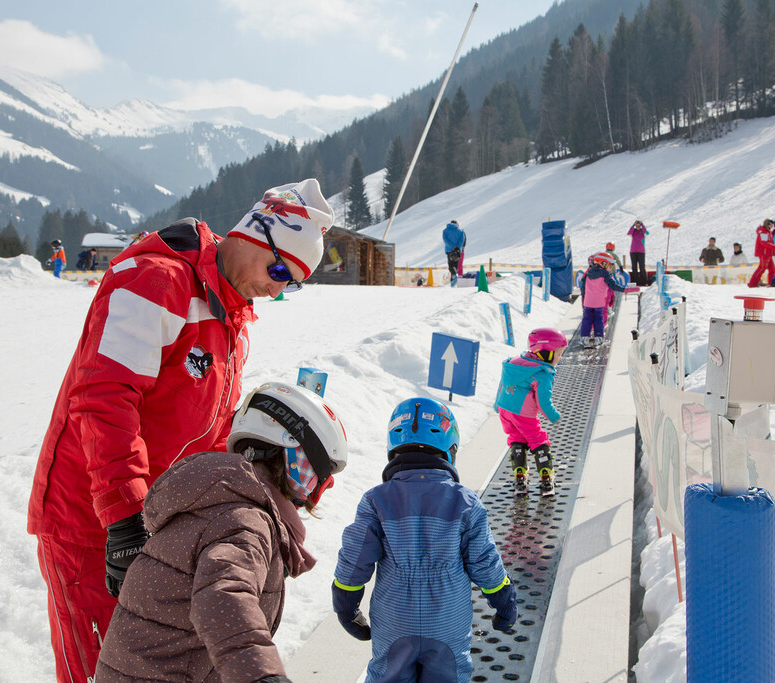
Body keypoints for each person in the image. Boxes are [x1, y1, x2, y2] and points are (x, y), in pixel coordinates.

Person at [27, 178, 334, 683]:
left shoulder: (230, 317)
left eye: (292, 283)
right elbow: (104, 399)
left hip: (156, 527)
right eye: (279, 270)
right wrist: (124, 519)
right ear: (256, 235)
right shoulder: (155, 282)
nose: (277, 288)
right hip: (92, 523)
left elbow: (210, 435)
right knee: (103, 671)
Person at [95, 382, 347, 683]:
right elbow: (224, 597)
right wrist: (260, 675)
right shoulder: (245, 520)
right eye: (316, 479)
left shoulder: (211, 502)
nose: (311, 497)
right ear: (292, 458)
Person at [332, 398, 517, 683]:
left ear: (392, 451)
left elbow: (356, 556)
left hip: (394, 621)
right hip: (447, 621)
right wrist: (504, 600)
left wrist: (345, 603)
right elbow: (484, 561)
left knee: (387, 676)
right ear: (451, 451)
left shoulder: (376, 500)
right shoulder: (464, 502)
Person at [494, 328, 568, 496]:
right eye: (558, 354)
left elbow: (503, 384)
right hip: (523, 415)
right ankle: (546, 479)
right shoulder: (542, 373)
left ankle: (520, 478)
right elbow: (543, 402)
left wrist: (496, 404)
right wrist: (554, 416)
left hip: (504, 409)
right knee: (538, 440)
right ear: (545, 353)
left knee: (517, 438)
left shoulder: (513, 362)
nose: (560, 358)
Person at [580, 252, 628, 348]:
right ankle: (599, 337)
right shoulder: (605, 274)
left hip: (588, 302)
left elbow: (583, 287)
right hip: (599, 303)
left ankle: (584, 337)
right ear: (604, 264)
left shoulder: (588, 272)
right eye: (610, 265)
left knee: (586, 319)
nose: (611, 268)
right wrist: (624, 289)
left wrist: (584, 299)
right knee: (599, 319)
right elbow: (612, 285)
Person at [748, 218, 775, 288]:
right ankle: (753, 283)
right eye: (771, 225)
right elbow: (764, 243)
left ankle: (771, 282)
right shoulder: (763, 232)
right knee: (762, 268)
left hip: (768, 253)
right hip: (764, 253)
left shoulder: (767, 231)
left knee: (772, 269)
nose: (772, 226)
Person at [443, 219, 466, 286]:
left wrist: (453, 247)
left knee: (451, 265)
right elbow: (462, 240)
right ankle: (453, 282)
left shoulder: (445, 231)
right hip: (458, 251)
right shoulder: (461, 231)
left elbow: (445, 240)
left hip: (449, 250)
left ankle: (453, 279)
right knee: (456, 266)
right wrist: (457, 248)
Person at [627, 219, 648, 286]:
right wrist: (633, 225)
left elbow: (646, 232)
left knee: (642, 267)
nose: (638, 227)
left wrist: (642, 224)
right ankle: (636, 282)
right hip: (633, 251)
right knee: (634, 267)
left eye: (639, 226)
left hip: (641, 252)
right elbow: (629, 233)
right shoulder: (633, 232)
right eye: (637, 226)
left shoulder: (642, 232)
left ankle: (644, 282)